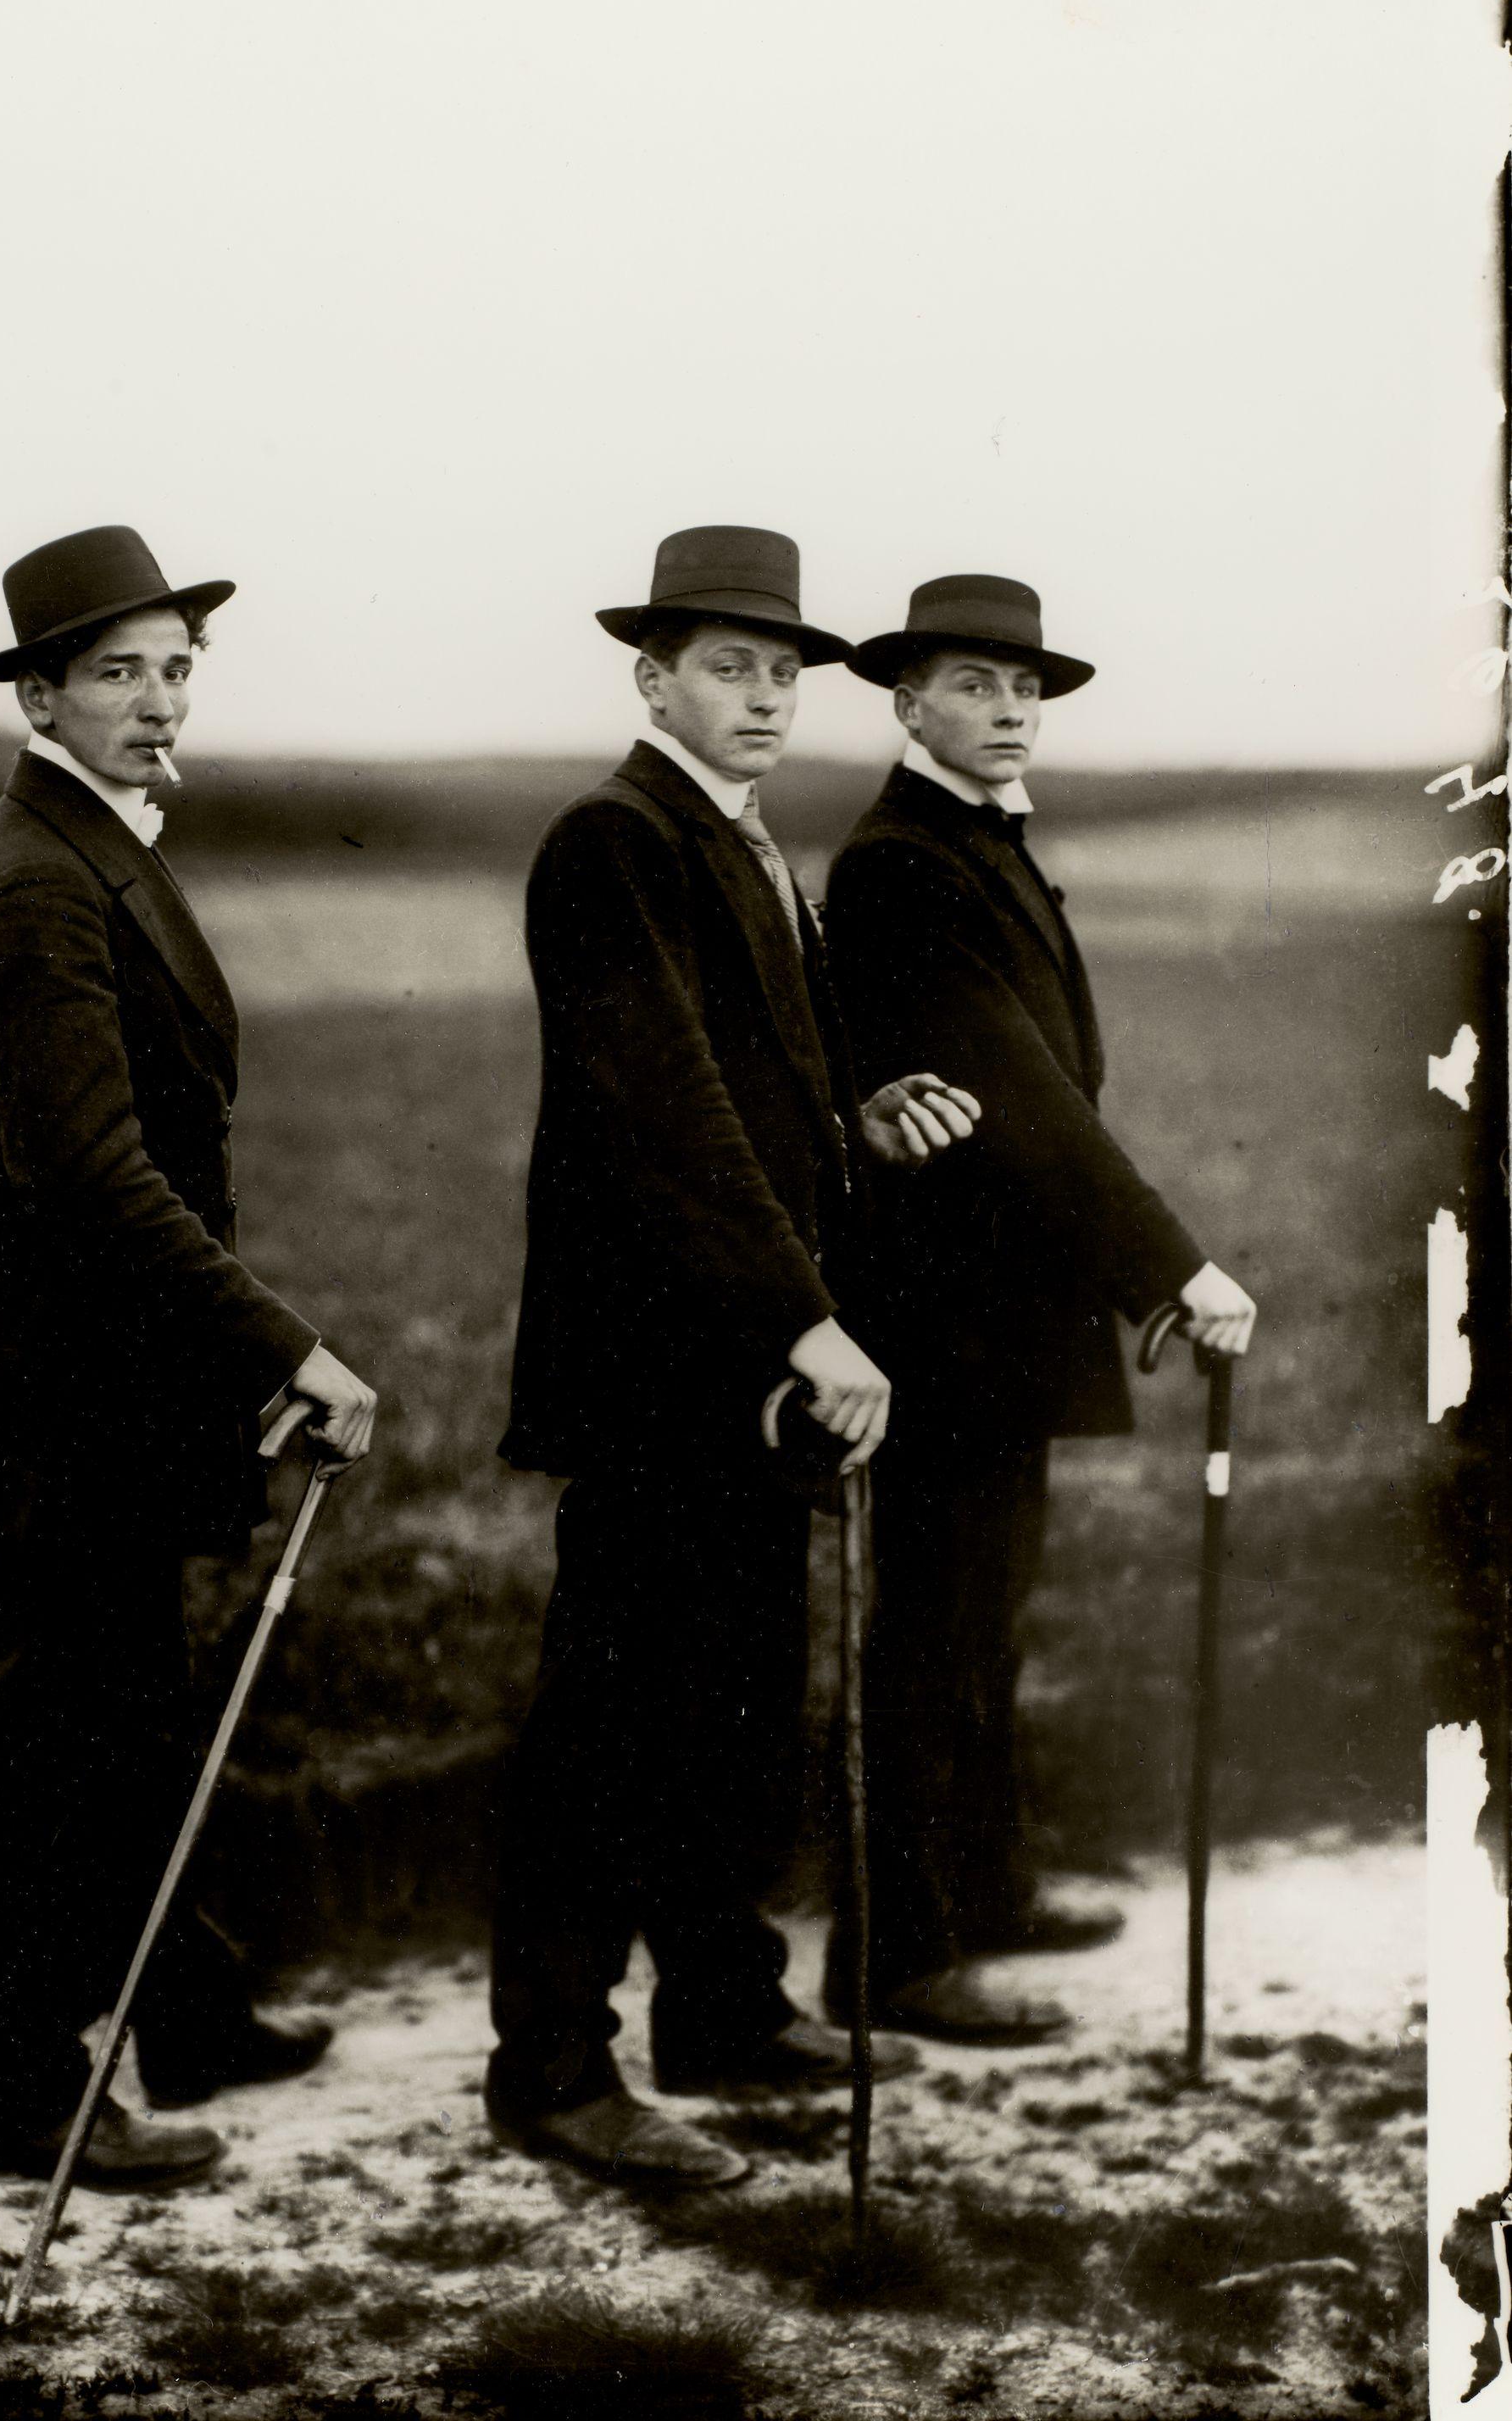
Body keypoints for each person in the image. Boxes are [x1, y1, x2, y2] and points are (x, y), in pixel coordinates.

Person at [488, 526, 971, 2188]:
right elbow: (665, 1115)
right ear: (652, 677)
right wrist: (808, 1318)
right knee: (610, 1723)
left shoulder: (741, 842)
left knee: (735, 1703)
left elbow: (758, 1094)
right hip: (655, 1371)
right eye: (727, 668)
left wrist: (855, 1121)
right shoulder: (611, 841)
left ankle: (722, 2006)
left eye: (782, 672)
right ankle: (552, 2068)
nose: (764, 696)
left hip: (740, 1370)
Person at [0, 525, 377, 2187]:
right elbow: (90, 1172)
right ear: (39, 693)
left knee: (129, 1718)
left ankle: (180, 2013)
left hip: (114, 1386)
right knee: (48, 1747)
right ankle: (20, 2097)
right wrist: (286, 1347)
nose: (160, 701)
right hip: (64, 1400)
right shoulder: (37, 876)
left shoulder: (89, 844)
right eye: (120, 672)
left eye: (178, 669)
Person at [823, 574, 1257, 2044]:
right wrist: (1172, 1267)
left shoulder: (973, 845)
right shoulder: (900, 864)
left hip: (1004, 1312)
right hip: (942, 1316)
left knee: (986, 1618)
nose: (1008, 710)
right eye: (974, 685)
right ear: (908, 704)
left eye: (1026, 690)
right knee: (935, 1626)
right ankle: (896, 1953)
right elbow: (1024, 1100)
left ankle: (990, 1888)